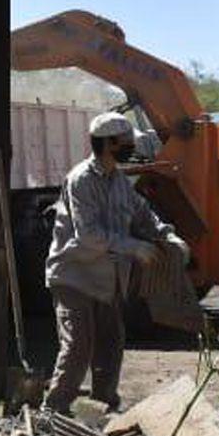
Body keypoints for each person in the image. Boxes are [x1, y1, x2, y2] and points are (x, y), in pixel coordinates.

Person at [42, 112, 186, 414]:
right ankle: (53, 412)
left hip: (107, 280)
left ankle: (103, 408)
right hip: (75, 276)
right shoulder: (81, 179)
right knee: (78, 347)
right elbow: (89, 235)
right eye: (126, 141)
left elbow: (143, 215)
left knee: (110, 344)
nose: (131, 146)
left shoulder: (120, 181)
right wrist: (134, 247)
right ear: (108, 144)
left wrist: (168, 237)